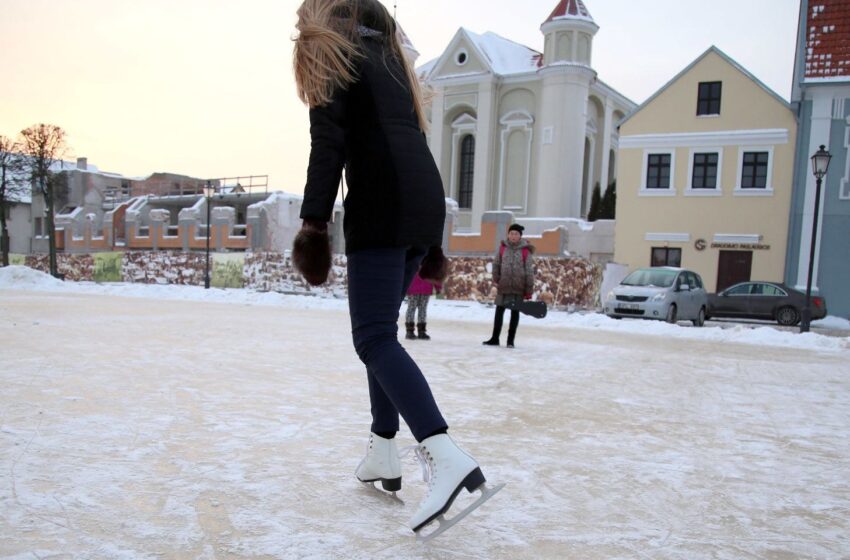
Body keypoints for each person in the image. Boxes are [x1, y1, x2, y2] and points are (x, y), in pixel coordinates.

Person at [291, 0, 491, 535]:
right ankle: (383, 449)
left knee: (374, 338)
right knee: (383, 333)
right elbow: (415, 141)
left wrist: (313, 225)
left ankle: (443, 454)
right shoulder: (388, 56)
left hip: (381, 203)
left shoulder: (332, 51)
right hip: (422, 201)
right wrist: (436, 235)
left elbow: (327, 145)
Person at [482, 223, 535, 348]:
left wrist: (528, 290)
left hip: (518, 287)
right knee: (499, 312)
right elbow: (496, 264)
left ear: (520, 236)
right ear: (508, 235)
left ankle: (510, 341)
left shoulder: (525, 251)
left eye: (516, 234)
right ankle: (495, 338)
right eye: (511, 233)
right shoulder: (502, 248)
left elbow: (529, 271)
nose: (513, 236)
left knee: (514, 313)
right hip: (504, 286)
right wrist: (497, 279)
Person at [404, 271, 441, 340]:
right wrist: (438, 287)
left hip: (416, 288)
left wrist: (438, 286)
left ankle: (411, 331)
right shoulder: (430, 262)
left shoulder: (413, 261)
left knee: (413, 309)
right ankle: (419, 332)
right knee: (420, 310)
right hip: (421, 288)